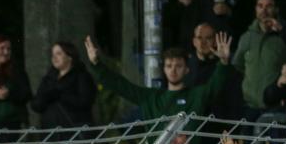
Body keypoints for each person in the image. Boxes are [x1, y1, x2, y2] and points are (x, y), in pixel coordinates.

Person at [84, 32, 232, 120]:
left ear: (187, 70)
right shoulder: (151, 97)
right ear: (164, 70)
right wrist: (96, 64)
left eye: (178, 66)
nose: (173, 70)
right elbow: (121, 86)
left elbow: (216, 85)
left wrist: (224, 61)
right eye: (169, 66)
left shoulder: (196, 95)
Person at [231, 0, 286, 118]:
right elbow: (238, 65)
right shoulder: (247, 37)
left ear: (276, 9)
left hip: (275, 106)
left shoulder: (284, 38)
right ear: (255, 9)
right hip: (249, 107)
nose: (264, 10)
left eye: (268, 6)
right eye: (260, 6)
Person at [30, 41, 96, 132]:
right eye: (53, 54)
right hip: (50, 133)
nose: (54, 57)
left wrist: (61, 96)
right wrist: (46, 97)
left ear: (70, 57)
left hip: (74, 131)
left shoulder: (82, 76)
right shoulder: (48, 79)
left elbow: (85, 101)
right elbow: (35, 105)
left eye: (59, 53)